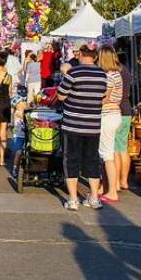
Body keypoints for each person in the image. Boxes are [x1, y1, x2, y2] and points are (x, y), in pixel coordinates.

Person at [55, 45, 107, 211]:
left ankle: (72, 199)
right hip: (93, 125)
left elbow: (61, 96)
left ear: (82, 55)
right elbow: (103, 97)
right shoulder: (102, 75)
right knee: (92, 161)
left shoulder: (73, 73)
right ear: (95, 57)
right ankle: (94, 197)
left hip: (73, 124)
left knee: (71, 160)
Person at [97, 47, 125, 204]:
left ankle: (112, 191)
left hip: (107, 115)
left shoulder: (108, 76)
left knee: (106, 154)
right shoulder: (117, 75)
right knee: (109, 152)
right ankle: (106, 187)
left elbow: (104, 98)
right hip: (116, 113)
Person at [115, 54, 135, 194]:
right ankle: (124, 181)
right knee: (123, 147)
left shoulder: (113, 73)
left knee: (115, 148)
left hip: (116, 110)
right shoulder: (125, 70)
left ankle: (115, 182)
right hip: (126, 109)